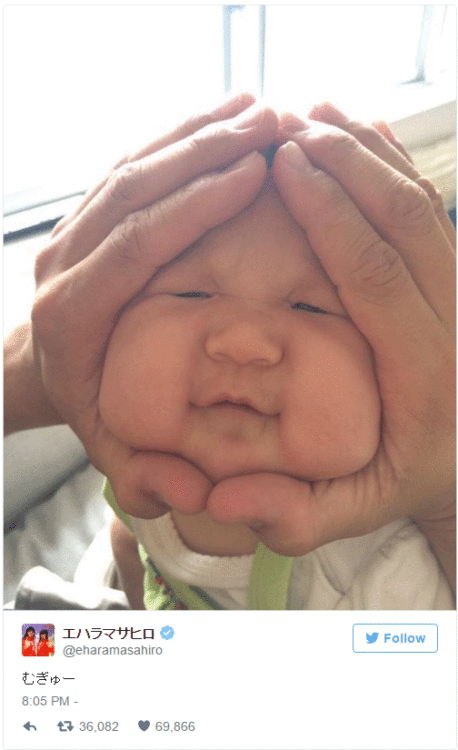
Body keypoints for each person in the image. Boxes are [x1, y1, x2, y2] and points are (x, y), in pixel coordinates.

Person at [4, 95, 455, 608]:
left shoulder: (382, 569)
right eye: (191, 294)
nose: (242, 344)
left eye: (312, 308)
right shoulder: (137, 462)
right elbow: (129, 542)